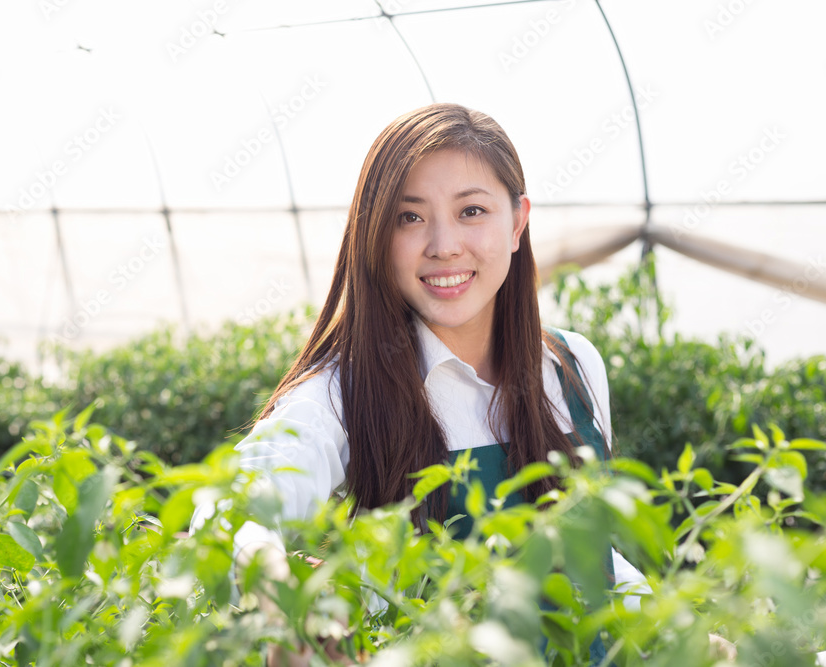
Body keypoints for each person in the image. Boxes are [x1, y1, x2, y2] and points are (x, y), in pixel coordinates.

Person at [191, 102, 648, 665]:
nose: (444, 245)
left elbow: (594, 555)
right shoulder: (340, 392)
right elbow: (227, 519)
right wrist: (275, 583)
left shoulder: (572, 365)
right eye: (410, 218)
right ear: (376, 236)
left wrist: (673, 629)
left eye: (472, 211)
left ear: (518, 222)